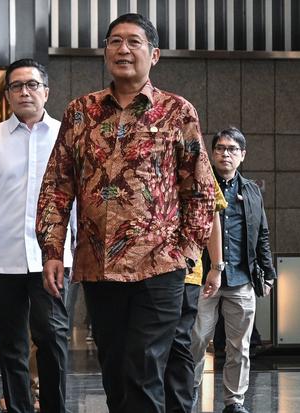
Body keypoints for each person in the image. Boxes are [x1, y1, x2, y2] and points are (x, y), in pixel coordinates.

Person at [36, 13, 215, 413]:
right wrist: (52, 250)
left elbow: (200, 189)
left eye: (134, 41)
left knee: (143, 368)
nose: (123, 49)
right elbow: (57, 186)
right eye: (115, 41)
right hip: (97, 266)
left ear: (154, 54)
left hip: (160, 266)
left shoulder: (177, 111)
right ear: (105, 52)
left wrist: (186, 251)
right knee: (115, 373)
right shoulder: (80, 112)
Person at [0, 58, 75, 413]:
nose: (25, 92)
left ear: (46, 92)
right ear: (8, 94)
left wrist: (78, 247)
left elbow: (78, 199)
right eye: (16, 86)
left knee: (52, 338)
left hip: (51, 260)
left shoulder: (66, 136)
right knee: (10, 346)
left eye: (32, 84)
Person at [190, 127, 276, 413]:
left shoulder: (251, 191)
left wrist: (268, 272)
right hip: (203, 279)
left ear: (242, 155)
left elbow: (262, 234)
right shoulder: (200, 186)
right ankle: (188, 393)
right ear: (212, 153)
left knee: (239, 346)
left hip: (241, 278)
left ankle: (234, 401)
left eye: (232, 149)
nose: (225, 154)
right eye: (220, 148)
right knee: (196, 339)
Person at [164, 178, 227, 413]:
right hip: (147, 272)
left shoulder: (197, 164)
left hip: (186, 271)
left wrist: (217, 266)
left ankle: (181, 406)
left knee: (181, 343)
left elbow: (212, 212)